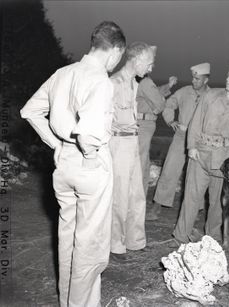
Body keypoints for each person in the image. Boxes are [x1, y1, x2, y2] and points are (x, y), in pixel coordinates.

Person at [20, 21, 126, 307]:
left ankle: (67, 300)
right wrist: (90, 157)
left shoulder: (62, 74)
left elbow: (30, 111)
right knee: (90, 246)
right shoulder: (100, 80)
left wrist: (56, 144)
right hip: (89, 164)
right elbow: (90, 134)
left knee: (68, 235)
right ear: (115, 50)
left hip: (64, 163)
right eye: (120, 56)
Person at [172, 61, 229, 244]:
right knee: (191, 198)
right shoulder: (210, 95)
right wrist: (191, 146)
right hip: (200, 154)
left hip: (225, 161)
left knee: (218, 202)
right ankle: (180, 237)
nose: (227, 78)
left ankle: (212, 239)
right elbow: (196, 121)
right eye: (228, 75)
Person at [109, 42, 159, 262]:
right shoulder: (112, 84)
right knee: (118, 197)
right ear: (136, 59)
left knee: (137, 194)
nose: (151, 68)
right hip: (117, 144)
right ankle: (115, 245)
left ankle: (135, 241)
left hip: (133, 142)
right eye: (149, 63)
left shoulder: (134, 84)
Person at [147, 63, 211, 221]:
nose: (194, 81)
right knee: (169, 170)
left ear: (206, 79)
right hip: (181, 137)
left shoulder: (212, 96)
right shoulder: (184, 92)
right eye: (193, 78)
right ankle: (157, 206)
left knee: (198, 175)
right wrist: (171, 121)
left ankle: (197, 210)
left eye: (197, 78)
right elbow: (168, 105)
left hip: (201, 141)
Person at [136, 74, 178, 196]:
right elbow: (158, 102)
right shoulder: (146, 82)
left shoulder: (141, 83)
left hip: (141, 125)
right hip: (143, 126)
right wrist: (162, 102)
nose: (150, 68)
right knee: (141, 165)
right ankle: (138, 200)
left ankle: (138, 200)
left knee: (143, 164)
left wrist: (168, 85)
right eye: (149, 64)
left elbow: (153, 92)